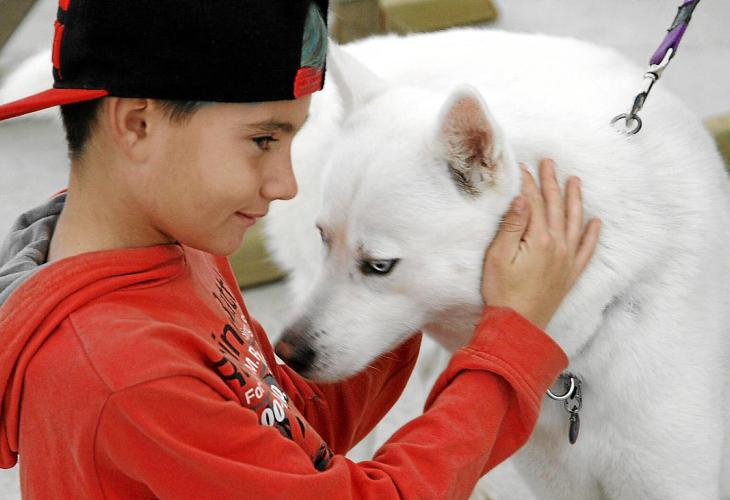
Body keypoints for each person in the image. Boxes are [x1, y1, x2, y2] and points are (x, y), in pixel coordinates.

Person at [0, 1, 601, 498]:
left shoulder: (173, 252)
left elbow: (290, 425)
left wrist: (407, 280)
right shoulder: (125, 375)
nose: (285, 184)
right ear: (136, 125)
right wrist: (512, 341)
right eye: (263, 139)